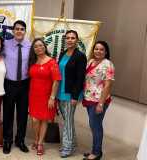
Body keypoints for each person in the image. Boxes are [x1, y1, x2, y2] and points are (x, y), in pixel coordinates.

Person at [1, 20, 31, 154]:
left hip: (24, 85)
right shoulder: (5, 45)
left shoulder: (30, 46)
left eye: (22, 29)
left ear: (25, 32)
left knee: (22, 114)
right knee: (8, 114)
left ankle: (20, 140)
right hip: (9, 84)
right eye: (17, 29)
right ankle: (7, 141)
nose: (19, 31)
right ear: (12, 31)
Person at [56, 30, 87, 158]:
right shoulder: (63, 54)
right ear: (65, 40)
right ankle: (73, 144)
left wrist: (75, 96)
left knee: (68, 121)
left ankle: (67, 148)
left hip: (70, 94)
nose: (70, 40)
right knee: (67, 120)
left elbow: (80, 78)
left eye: (72, 38)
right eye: (67, 38)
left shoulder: (80, 56)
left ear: (77, 41)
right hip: (60, 92)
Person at [28, 38, 62, 156]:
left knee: (44, 120)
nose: (38, 48)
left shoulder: (52, 62)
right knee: (34, 119)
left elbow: (56, 81)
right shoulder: (32, 61)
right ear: (33, 49)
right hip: (33, 95)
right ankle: (37, 138)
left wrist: (52, 98)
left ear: (45, 47)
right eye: (36, 46)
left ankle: (40, 142)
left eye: (40, 45)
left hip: (47, 96)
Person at [82, 41, 114, 160]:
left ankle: (95, 154)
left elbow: (108, 85)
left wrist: (100, 103)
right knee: (93, 125)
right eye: (96, 49)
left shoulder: (107, 64)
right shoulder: (90, 61)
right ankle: (96, 150)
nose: (98, 51)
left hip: (99, 101)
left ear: (106, 52)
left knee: (95, 126)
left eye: (101, 49)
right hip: (90, 99)